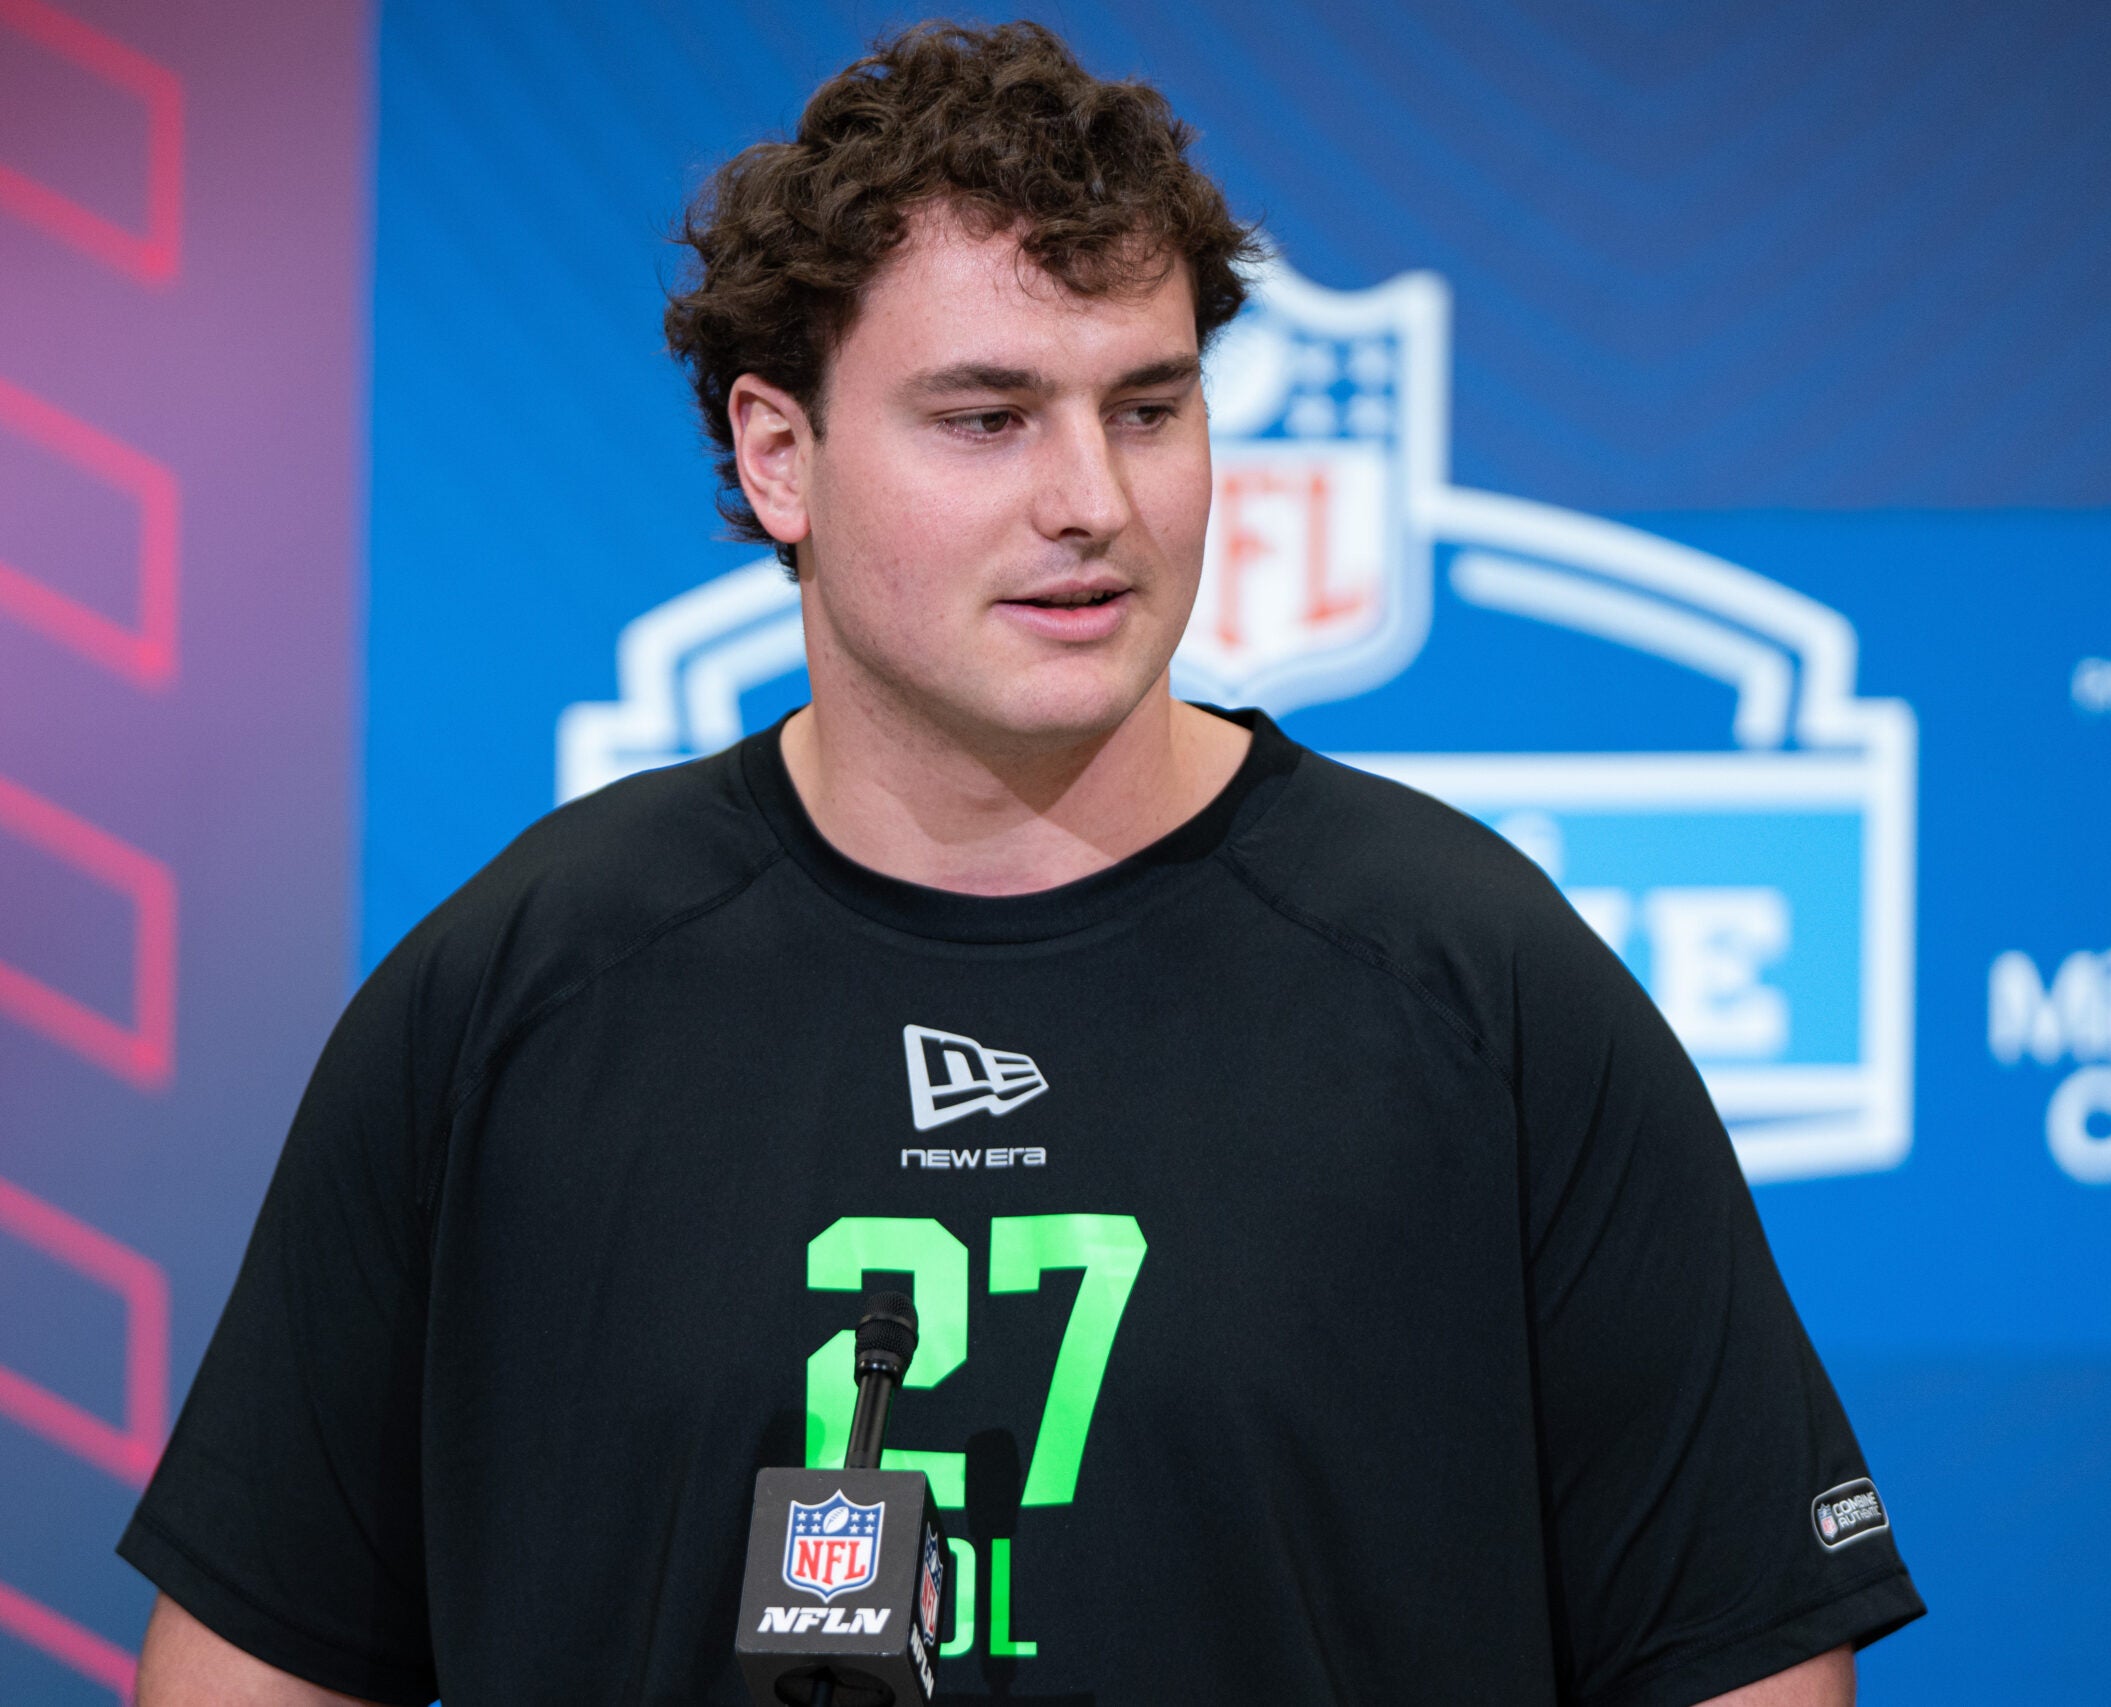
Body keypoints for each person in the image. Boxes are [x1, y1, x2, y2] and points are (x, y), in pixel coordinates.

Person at [122, 21, 1922, 1705]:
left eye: (1147, 407)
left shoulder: (1478, 982)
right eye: (988, 418)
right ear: (778, 454)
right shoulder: (516, 988)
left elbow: (1742, 1657)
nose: (1095, 501)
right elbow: (255, 1659)